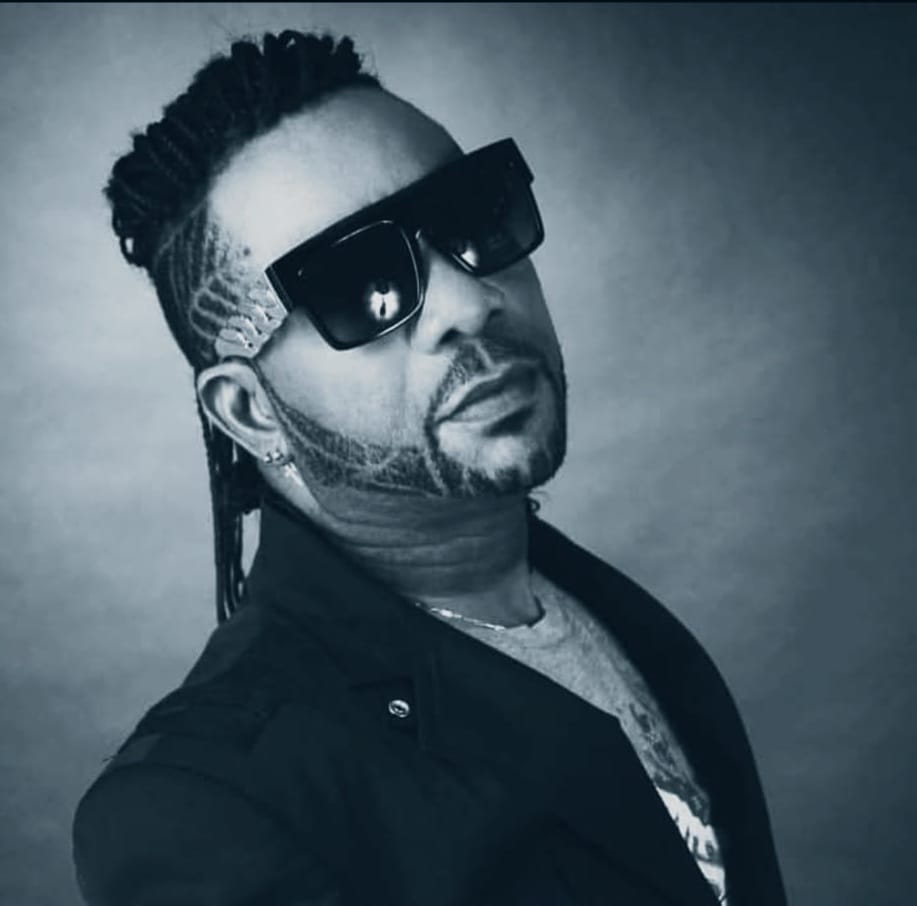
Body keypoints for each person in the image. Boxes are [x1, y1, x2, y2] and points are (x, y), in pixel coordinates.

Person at [72, 29, 787, 906]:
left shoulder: (599, 608)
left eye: (471, 217)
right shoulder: (209, 809)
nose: (468, 301)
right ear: (251, 411)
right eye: (359, 286)